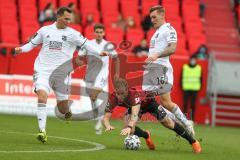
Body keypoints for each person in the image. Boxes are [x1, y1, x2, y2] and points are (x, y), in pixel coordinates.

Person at [14, 7, 108, 143]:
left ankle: (67, 112)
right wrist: (21, 49)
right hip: (43, 70)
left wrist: (98, 52)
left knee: (62, 108)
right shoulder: (44, 30)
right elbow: (31, 44)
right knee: (42, 95)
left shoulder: (73, 34)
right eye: (66, 19)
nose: (68, 22)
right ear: (58, 16)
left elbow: (87, 44)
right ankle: (42, 131)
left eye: (70, 19)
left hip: (62, 74)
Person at [102, 78, 202, 153]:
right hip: (136, 106)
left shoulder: (133, 95)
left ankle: (193, 141)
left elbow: (135, 114)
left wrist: (129, 126)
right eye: (118, 94)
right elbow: (106, 117)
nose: (120, 96)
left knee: (168, 123)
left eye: (122, 94)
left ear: (127, 90)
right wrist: (107, 125)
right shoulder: (113, 97)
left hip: (149, 103)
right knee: (129, 128)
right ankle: (146, 135)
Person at [142, 5, 195, 136]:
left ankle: (186, 123)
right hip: (151, 69)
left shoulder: (169, 29)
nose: (152, 20)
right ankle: (176, 121)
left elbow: (172, 48)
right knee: (146, 100)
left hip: (161, 68)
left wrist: (155, 56)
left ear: (162, 15)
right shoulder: (156, 32)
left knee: (165, 101)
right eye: (151, 18)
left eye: (154, 17)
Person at [76, 23, 120, 135]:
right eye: (97, 32)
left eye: (101, 32)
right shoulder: (88, 44)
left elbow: (116, 57)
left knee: (94, 95)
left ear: (104, 33)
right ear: (94, 33)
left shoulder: (108, 45)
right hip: (90, 74)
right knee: (92, 98)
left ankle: (100, 119)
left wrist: (116, 72)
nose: (99, 34)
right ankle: (97, 118)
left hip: (102, 73)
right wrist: (80, 62)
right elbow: (79, 57)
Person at [181, 56, 202, 121]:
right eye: (192, 59)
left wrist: (199, 87)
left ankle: (191, 119)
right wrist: (182, 86)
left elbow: (201, 79)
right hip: (186, 88)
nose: (193, 61)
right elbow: (181, 78)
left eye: (194, 59)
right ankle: (184, 119)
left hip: (195, 89)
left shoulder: (199, 68)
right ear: (190, 60)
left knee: (192, 105)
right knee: (185, 104)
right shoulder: (185, 67)